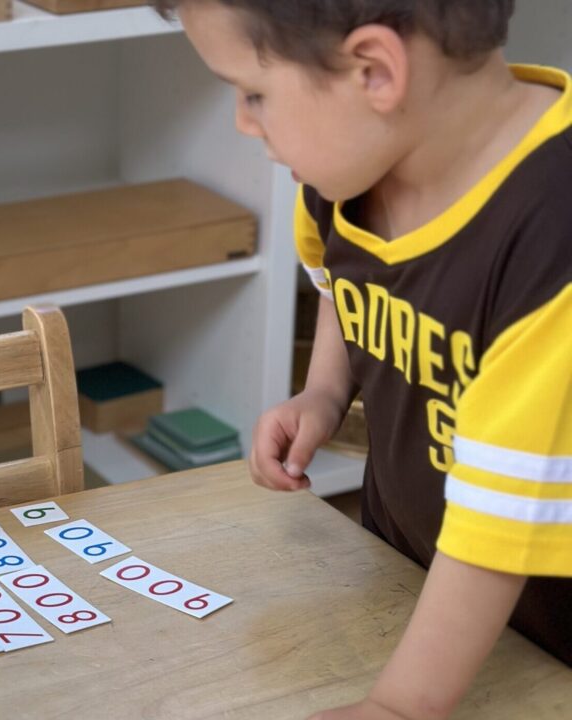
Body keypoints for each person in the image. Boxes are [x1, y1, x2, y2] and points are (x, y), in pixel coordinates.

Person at [150, 1, 572, 717]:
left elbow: (504, 515)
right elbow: (342, 285)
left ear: (375, 71)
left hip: (545, 634)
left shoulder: (552, 237)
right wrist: (322, 391)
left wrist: (402, 706)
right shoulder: (347, 173)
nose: (243, 123)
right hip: (408, 576)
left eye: (254, 94)